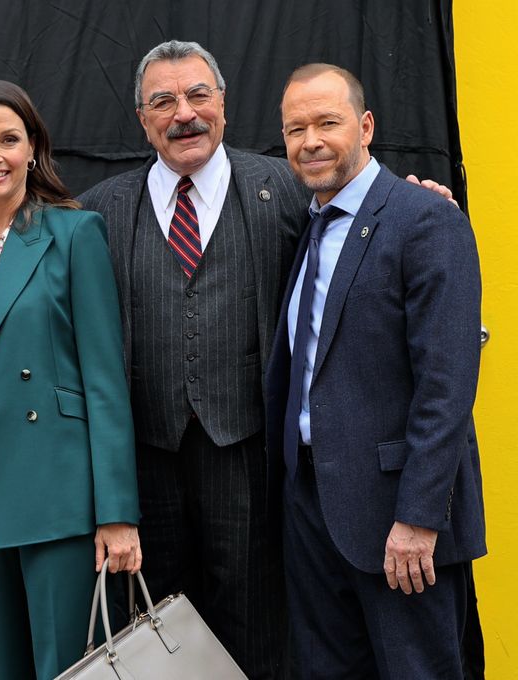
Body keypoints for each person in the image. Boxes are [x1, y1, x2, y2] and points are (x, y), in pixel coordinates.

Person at [77, 41, 309, 678]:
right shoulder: (100, 210)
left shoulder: (284, 188)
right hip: (146, 465)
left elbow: (358, 229)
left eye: (198, 95)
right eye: (164, 101)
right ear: (142, 119)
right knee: (157, 638)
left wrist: (423, 204)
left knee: (256, 624)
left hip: (248, 455)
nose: (185, 113)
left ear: (224, 106)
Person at [0, 79, 141, 680]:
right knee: (0, 666)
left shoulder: (73, 234)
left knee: (65, 665)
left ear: (32, 147)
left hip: (56, 482)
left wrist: (117, 512)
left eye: (9, 139)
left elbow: (105, 381)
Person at [265, 63, 484, 678]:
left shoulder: (425, 219)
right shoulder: (308, 226)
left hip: (400, 520)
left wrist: (418, 518)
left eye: (327, 122)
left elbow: (447, 385)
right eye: (295, 128)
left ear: (364, 126)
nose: (310, 140)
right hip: (310, 508)